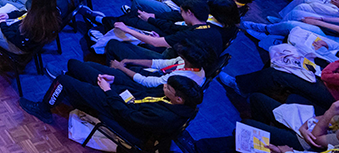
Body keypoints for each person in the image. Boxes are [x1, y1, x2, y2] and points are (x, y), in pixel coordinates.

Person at [20, 73, 203, 143]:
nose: (163, 87)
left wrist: (109, 92)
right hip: (128, 104)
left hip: (119, 114)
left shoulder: (164, 117)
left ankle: (43, 109)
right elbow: (143, 96)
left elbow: (126, 116)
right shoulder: (180, 104)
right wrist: (115, 86)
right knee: (81, 70)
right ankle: (79, 96)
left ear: (178, 98)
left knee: (64, 80)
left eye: (167, 88)